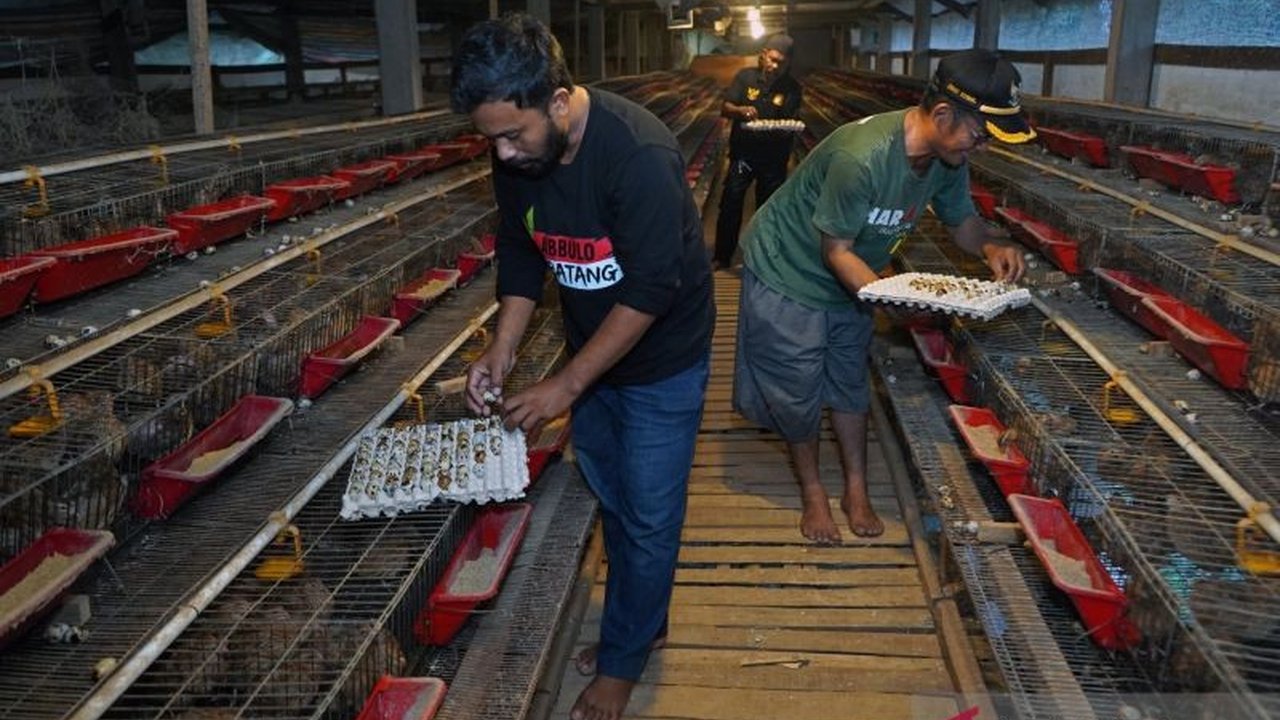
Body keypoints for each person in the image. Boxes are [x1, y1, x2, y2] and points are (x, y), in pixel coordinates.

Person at [451, 14, 714, 720]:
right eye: (492, 139)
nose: (503, 155)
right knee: (616, 494)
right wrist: (503, 346)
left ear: (559, 100)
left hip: (660, 359)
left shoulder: (637, 157)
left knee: (651, 513)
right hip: (592, 352)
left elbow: (652, 289)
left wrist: (567, 383)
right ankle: (642, 619)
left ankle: (626, 660)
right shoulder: (522, 158)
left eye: (514, 135)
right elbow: (519, 248)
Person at [733, 49, 1033, 544]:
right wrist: (888, 296)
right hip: (790, 269)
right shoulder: (863, 157)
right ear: (941, 115)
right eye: (980, 134)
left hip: (856, 276)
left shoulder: (946, 156)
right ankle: (813, 492)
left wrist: (991, 245)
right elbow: (835, 251)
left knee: (849, 380)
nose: (981, 147)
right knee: (797, 387)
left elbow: (961, 223)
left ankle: (856, 489)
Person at [712, 33, 804, 271]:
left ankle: (762, 259)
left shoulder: (792, 88)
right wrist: (740, 110)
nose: (774, 66)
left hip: (773, 158)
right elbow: (726, 107)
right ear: (763, 54)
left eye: (781, 63)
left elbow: (791, 120)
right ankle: (722, 256)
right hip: (744, 155)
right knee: (731, 200)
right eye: (772, 59)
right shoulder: (745, 78)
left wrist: (785, 130)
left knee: (768, 209)